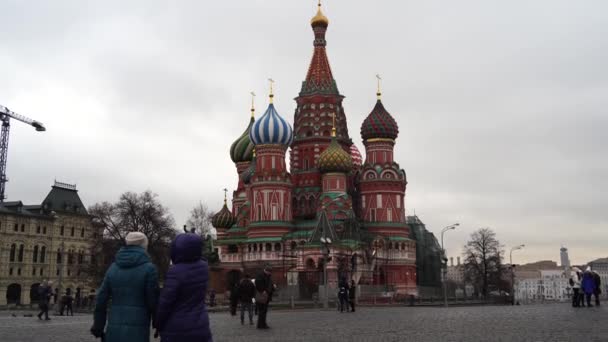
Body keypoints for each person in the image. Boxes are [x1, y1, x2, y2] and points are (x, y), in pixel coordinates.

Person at [91, 232, 159, 342]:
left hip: (114, 328)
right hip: (139, 328)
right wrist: (158, 323)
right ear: (144, 245)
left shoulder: (113, 268)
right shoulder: (150, 269)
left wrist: (98, 326)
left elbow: (101, 300)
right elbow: (153, 301)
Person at [155, 233, 213, 342]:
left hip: (177, 326)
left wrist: (158, 324)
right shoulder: (204, 268)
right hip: (201, 323)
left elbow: (165, 303)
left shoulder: (175, 272)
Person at [255, 265, 275, 329]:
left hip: (267, 295)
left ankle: (263, 324)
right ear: (266, 271)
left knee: (264, 311)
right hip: (262, 296)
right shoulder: (260, 275)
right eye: (269, 272)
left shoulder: (268, 276)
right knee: (262, 311)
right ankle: (260, 325)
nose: (270, 273)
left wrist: (273, 287)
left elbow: (270, 284)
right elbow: (257, 283)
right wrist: (262, 290)